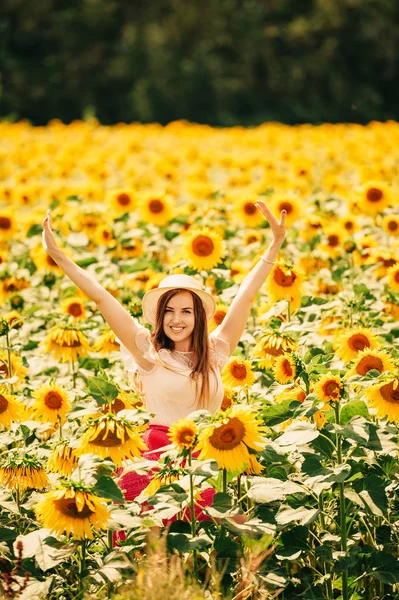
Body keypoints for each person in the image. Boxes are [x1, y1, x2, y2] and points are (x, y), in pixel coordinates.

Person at [42, 201, 286, 517]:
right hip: (154, 463)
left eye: (186, 311)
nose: (176, 319)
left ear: (199, 316)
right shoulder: (149, 353)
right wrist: (58, 255)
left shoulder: (215, 352)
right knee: (153, 555)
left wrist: (274, 244)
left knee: (196, 552)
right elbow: (101, 298)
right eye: (168, 311)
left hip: (201, 461)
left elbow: (246, 295)